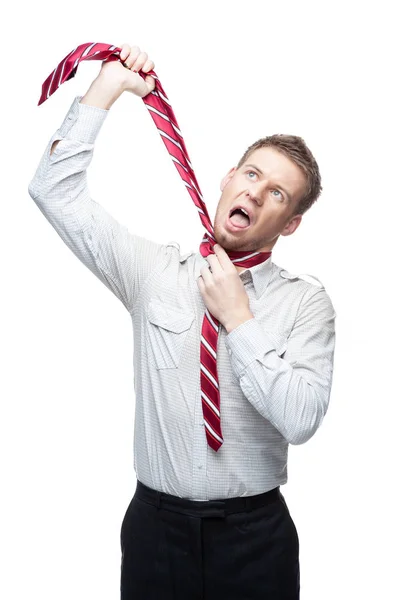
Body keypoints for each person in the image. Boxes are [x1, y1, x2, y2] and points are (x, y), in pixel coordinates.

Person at [28, 42, 336, 599]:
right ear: (226, 178)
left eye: (276, 194)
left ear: (288, 223)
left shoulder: (305, 305)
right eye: (251, 173)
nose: (254, 192)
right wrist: (108, 88)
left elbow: (301, 420)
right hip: (156, 534)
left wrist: (239, 320)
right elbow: (53, 191)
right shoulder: (153, 273)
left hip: (256, 541)